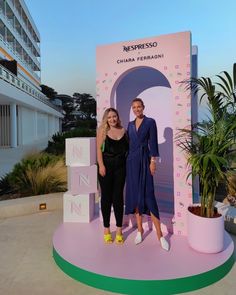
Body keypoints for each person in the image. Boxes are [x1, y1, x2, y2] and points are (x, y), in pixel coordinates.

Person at [125, 98, 169, 251]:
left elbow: (154, 143)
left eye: (139, 106)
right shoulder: (130, 125)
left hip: (145, 161)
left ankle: (160, 235)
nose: (137, 109)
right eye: (134, 107)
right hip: (131, 162)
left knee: (149, 196)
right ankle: (140, 230)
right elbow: (126, 144)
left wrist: (153, 161)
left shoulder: (150, 122)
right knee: (136, 196)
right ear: (132, 109)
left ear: (143, 107)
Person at [97, 108, 128, 244]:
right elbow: (98, 150)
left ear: (117, 117)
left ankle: (119, 229)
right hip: (106, 168)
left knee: (118, 198)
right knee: (106, 198)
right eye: (109, 117)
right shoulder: (102, 131)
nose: (112, 119)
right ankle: (106, 229)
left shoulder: (124, 131)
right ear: (106, 119)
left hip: (121, 169)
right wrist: (101, 165)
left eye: (114, 116)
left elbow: (128, 150)